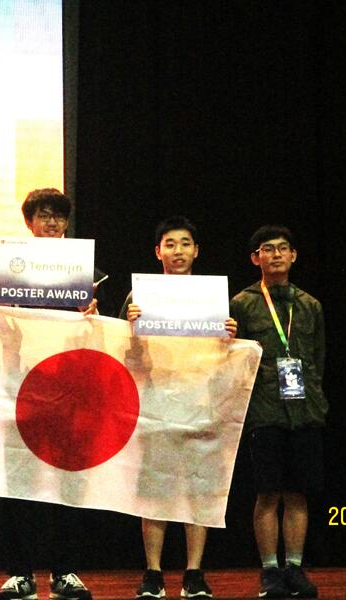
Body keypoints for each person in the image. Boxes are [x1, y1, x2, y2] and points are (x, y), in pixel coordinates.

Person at [0, 189, 99, 600]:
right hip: (20, 392)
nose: (51, 223)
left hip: (70, 394)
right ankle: (20, 573)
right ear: (29, 222)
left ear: (66, 223)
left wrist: (93, 316)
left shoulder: (85, 272)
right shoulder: (5, 271)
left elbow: (101, 337)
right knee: (18, 486)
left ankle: (64, 571)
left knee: (69, 487)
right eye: (43, 215)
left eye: (58, 217)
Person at [120, 216, 237, 600]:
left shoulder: (212, 299)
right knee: (155, 491)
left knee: (198, 491)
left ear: (196, 250)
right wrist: (130, 329)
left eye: (185, 243)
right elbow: (124, 356)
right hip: (155, 405)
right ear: (158, 252)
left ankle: (194, 573)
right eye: (170, 244)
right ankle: (153, 573)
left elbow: (224, 359)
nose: (178, 251)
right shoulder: (138, 298)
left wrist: (229, 338)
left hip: (200, 405)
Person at [229, 225, 325, 599]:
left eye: (283, 248)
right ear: (256, 258)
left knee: (298, 493)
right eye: (267, 249)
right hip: (264, 409)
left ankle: (295, 568)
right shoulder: (242, 303)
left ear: (294, 255)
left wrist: (313, 397)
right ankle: (270, 570)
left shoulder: (310, 305)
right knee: (267, 493)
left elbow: (318, 358)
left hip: (304, 409)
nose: (276, 255)